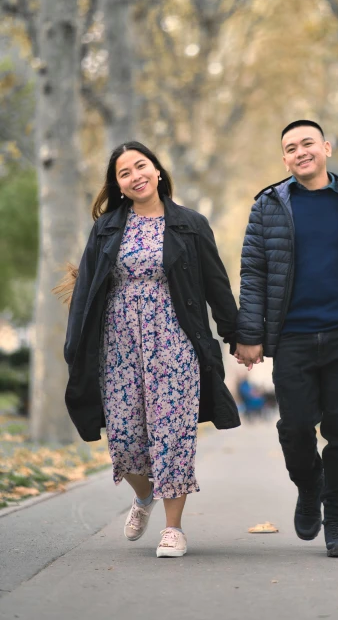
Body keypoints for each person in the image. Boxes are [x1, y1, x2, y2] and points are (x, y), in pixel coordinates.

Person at [63, 141, 239, 558]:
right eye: (124, 173)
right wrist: (75, 348)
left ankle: (173, 529)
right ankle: (143, 497)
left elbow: (216, 285)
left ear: (157, 171)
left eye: (141, 166)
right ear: (119, 185)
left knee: (173, 435)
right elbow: (87, 290)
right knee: (125, 440)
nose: (135, 176)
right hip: (118, 345)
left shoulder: (190, 224)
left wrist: (239, 335)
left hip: (175, 341)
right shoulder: (107, 228)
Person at [235, 120, 338, 558]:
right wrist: (249, 334)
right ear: (284, 158)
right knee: (295, 429)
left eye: (307, 143)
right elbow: (252, 274)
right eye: (290, 147)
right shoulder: (268, 206)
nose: (300, 152)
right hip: (292, 338)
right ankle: (310, 487)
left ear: (325, 147)